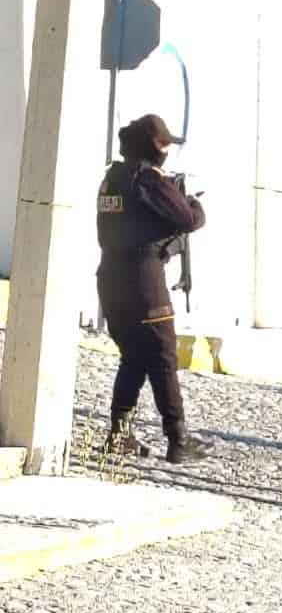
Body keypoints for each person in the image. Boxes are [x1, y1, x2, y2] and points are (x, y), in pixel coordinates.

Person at [95, 113, 211, 464]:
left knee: (133, 358)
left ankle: (119, 433)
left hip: (111, 279)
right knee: (163, 357)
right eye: (163, 145)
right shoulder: (148, 179)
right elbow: (189, 219)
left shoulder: (112, 178)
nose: (166, 152)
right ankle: (178, 439)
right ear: (152, 147)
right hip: (144, 280)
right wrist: (191, 201)